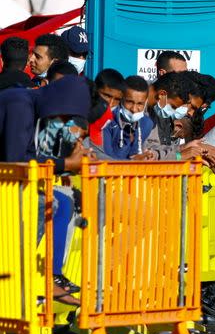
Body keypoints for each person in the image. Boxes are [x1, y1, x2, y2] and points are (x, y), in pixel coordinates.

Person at [0, 75, 93, 305]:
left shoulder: (28, 104)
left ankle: (47, 276)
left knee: (61, 202)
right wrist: (65, 165)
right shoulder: (20, 104)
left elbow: (28, 155)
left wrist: (67, 162)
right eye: (65, 116)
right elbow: (16, 161)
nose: (62, 122)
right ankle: (20, 277)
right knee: (43, 202)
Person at [102, 76, 156, 160]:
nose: (134, 109)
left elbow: (134, 154)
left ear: (145, 103)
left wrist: (143, 157)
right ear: (121, 99)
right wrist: (133, 161)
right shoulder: (107, 121)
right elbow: (106, 158)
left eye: (140, 104)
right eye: (130, 102)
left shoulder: (146, 124)